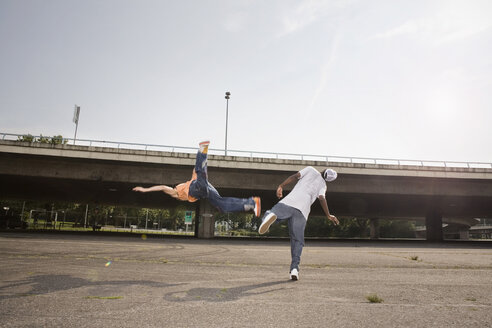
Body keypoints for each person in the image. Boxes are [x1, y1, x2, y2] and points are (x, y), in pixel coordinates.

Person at [133, 141, 261, 216]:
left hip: (197, 188)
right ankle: (252, 202)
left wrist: (145, 190)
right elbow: (195, 171)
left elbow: (162, 187)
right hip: (205, 190)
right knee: (222, 205)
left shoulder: (177, 192)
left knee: (201, 174)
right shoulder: (190, 180)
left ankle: (202, 150)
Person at [258, 166, 339, 281]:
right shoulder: (323, 185)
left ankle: (269, 218)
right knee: (297, 241)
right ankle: (294, 269)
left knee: (273, 213)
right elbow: (321, 198)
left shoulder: (311, 169)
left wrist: (281, 186)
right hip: (302, 211)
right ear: (328, 179)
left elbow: (295, 176)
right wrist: (328, 215)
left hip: (289, 202)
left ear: (324, 170)